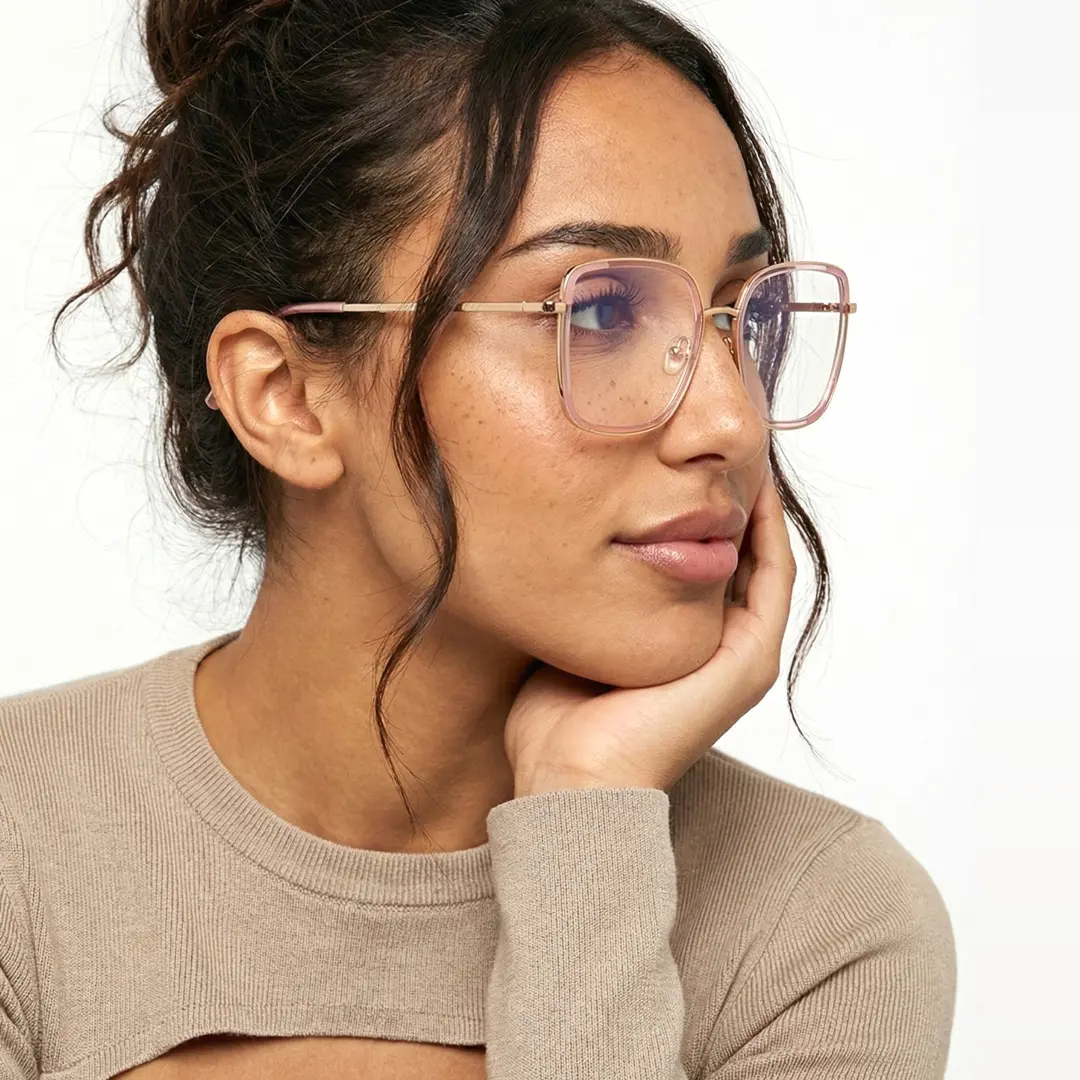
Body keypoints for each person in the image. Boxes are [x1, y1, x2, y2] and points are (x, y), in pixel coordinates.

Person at [0, 1, 955, 1077]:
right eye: (599, 314)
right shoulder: (21, 844)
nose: (731, 421)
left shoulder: (819, 929)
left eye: (739, 314)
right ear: (285, 398)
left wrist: (588, 827)